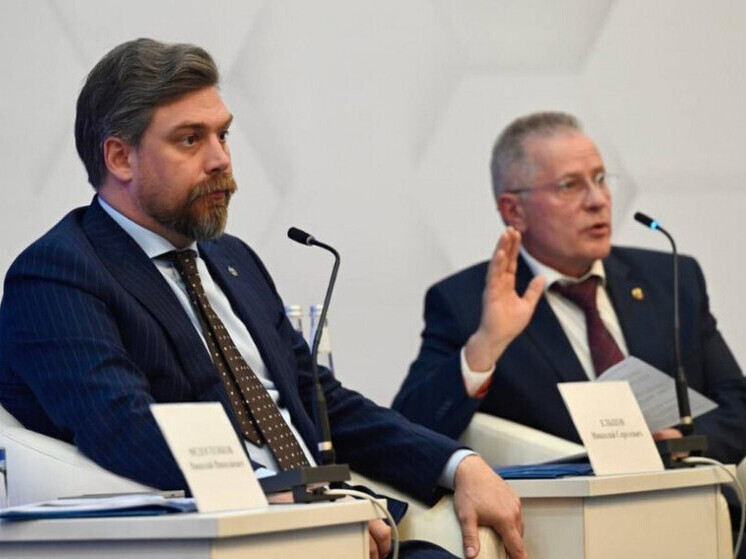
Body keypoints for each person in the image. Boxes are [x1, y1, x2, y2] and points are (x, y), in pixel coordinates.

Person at [0, 39, 527, 559]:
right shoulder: (58, 273)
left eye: (223, 135)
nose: (220, 160)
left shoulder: (231, 259)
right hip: (230, 538)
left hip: (332, 528)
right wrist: (282, 501)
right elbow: (121, 426)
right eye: (190, 139)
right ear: (120, 157)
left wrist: (457, 464)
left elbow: (321, 401)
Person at [392, 111, 746, 467]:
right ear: (514, 211)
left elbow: (738, 404)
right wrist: (485, 345)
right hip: (564, 500)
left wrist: (683, 443)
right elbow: (409, 435)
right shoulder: (466, 303)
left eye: (600, 179)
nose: (598, 200)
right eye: (570, 185)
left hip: (687, 494)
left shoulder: (671, 279)